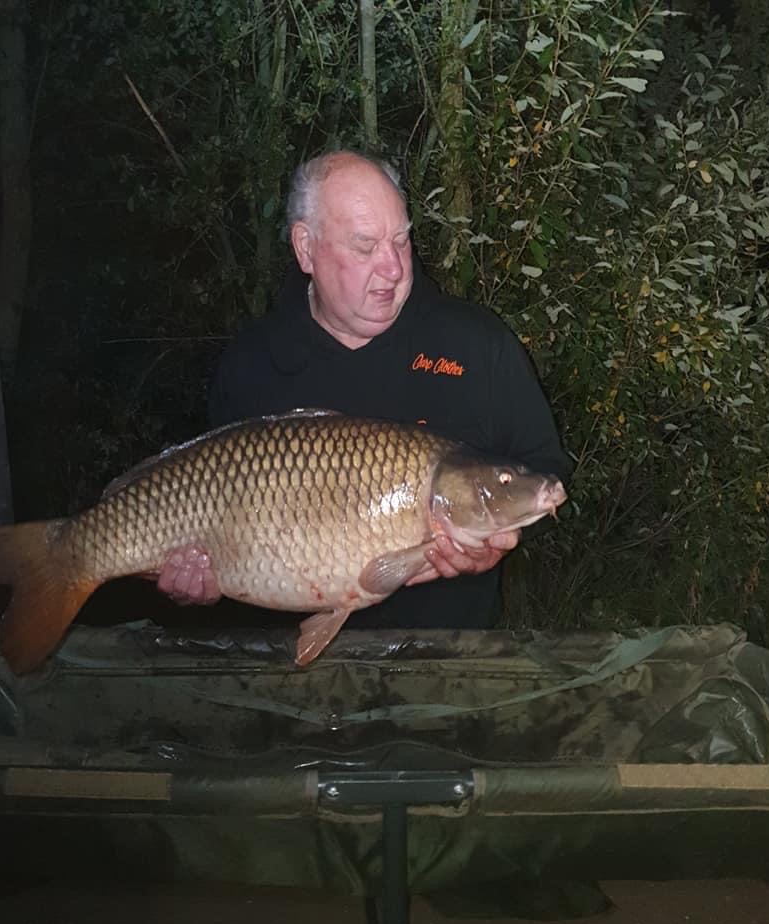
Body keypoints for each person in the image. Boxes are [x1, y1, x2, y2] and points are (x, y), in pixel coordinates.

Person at [155, 149, 572, 630]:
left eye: (401, 240)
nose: (393, 268)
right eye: (365, 246)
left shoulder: (478, 344)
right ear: (306, 249)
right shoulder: (250, 364)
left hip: (448, 657)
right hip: (284, 662)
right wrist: (198, 587)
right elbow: (216, 536)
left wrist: (498, 546)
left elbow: (545, 473)